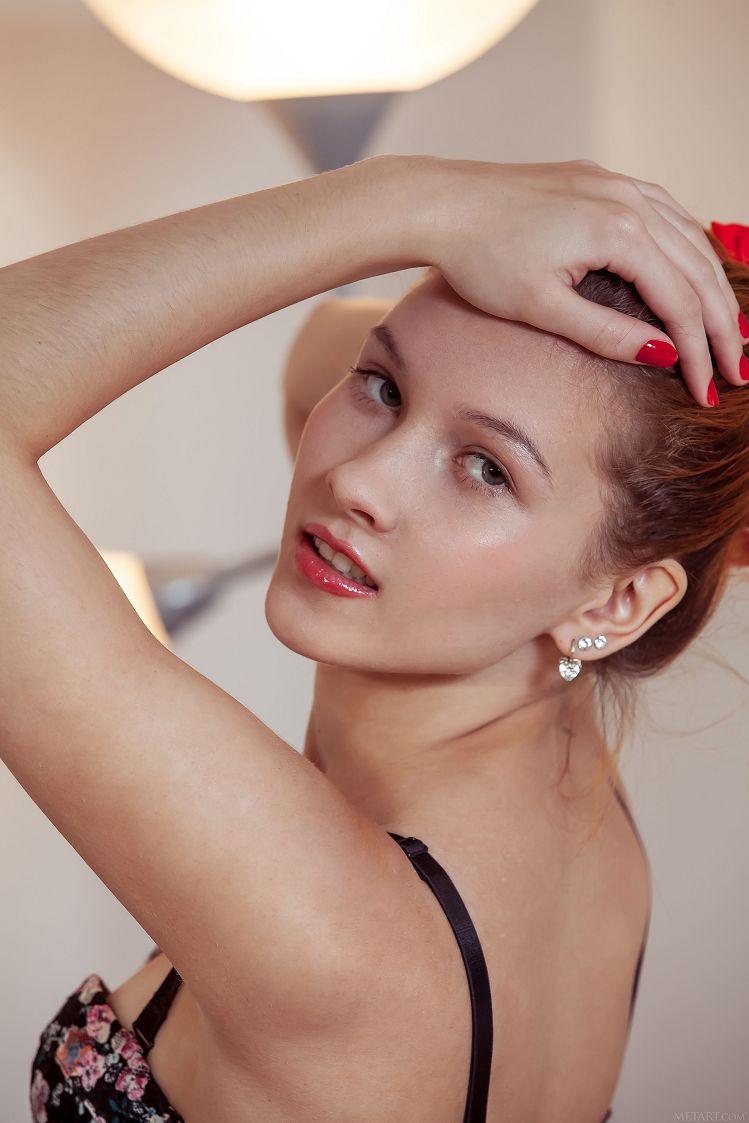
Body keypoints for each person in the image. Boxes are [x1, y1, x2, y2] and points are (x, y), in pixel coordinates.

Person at [7, 154, 747, 1122]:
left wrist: (414, 199)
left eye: (486, 469)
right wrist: (463, 254)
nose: (358, 480)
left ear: (618, 603)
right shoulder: (566, 783)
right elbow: (321, 351)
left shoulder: (324, 925)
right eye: (384, 389)